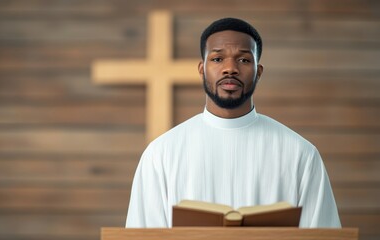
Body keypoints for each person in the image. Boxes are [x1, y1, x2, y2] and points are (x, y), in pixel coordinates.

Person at [125, 17, 341, 228]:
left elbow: (323, 233)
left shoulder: (300, 153)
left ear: (259, 72)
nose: (230, 68)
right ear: (202, 70)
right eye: (218, 59)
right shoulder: (161, 154)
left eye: (244, 59)